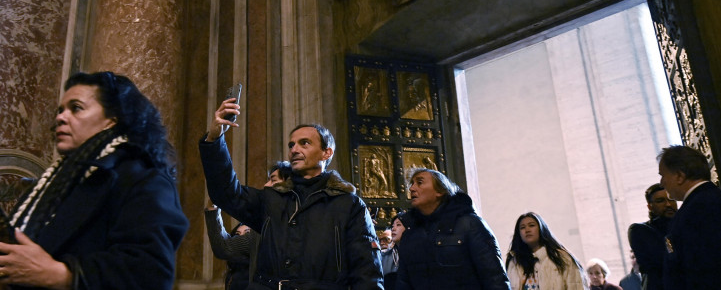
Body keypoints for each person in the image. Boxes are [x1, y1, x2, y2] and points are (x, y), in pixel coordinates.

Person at [0, 71, 188, 290]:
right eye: (60, 110)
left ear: (112, 120)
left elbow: (151, 273)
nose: (60, 117)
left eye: (76, 108)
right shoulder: (53, 184)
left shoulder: (142, 178)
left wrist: (63, 275)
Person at [199, 97, 382, 290]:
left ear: (326, 153)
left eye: (304, 143)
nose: (294, 149)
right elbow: (226, 193)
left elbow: (367, 271)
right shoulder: (272, 198)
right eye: (291, 145)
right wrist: (214, 140)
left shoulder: (349, 204)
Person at [657, 145, 721, 290]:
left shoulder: (703, 206)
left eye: (663, 175)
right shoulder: (703, 202)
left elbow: (709, 268)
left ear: (679, 176)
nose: (661, 182)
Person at [395, 168, 508, 290]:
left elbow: (495, 278)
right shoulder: (410, 234)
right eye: (412, 184)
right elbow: (404, 283)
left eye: (420, 182)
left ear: (440, 191)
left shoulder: (470, 224)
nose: (412, 188)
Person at [205, 161, 292, 290]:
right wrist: (212, 209)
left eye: (273, 180)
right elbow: (224, 247)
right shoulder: (259, 231)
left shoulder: (311, 222)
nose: (266, 185)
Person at [505, 212, 587, 290]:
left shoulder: (563, 258)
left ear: (541, 228)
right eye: (522, 227)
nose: (527, 230)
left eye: (532, 225)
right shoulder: (514, 262)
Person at [627, 183, 676, 290]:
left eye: (671, 199)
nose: (668, 204)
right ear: (650, 206)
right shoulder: (639, 230)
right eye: (660, 201)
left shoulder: (684, 224)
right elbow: (659, 261)